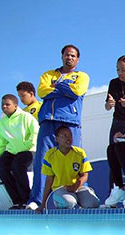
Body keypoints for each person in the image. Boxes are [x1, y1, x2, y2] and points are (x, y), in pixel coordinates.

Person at [28, 44, 90, 210]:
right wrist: (65, 90)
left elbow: (76, 91)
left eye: (73, 56)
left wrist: (57, 86)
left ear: (77, 59)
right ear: (61, 56)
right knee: (42, 161)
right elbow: (42, 92)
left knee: (76, 159)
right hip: (48, 121)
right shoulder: (48, 74)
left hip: (70, 122)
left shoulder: (82, 76)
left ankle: (80, 198)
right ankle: (37, 201)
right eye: (67, 55)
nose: (69, 58)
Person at [37, 126, 99, 211]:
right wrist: (43, 204)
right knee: (69, 203)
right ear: (57, 139)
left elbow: (84, 175)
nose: (68, 139)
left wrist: (75, 186)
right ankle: (60, 200)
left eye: (70, 136)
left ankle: (80, 203)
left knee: (93, 203)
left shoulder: (80, 153)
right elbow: (49, 179)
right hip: (60, 188)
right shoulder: (50, 155)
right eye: (64, 136)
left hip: (78, 187)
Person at [0, 95, 39, 209]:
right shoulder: (2, 122)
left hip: (29, 149)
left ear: (15, 105)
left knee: (17, 166)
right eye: (2, 105)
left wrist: (27, 145)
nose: (4, 107)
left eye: (7, 104)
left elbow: (35, 133)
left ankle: (26, 199)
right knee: (0, 166)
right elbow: (0, 143)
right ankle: (16, 201)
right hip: (13, 151)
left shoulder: (26, 117)